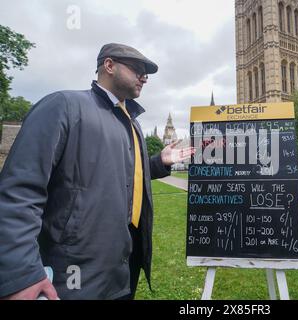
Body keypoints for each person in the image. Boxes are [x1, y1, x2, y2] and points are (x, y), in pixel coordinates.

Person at [0, 43, 194, 300]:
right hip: (75, 276)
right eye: (138, 69)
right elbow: (19, 192)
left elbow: (123, 174)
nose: (144, 78)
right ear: (109, 66)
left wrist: (158, 162)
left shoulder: (132, 124)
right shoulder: (64, 106)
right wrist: (21, 273)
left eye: (146, 73)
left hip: (122, 271)